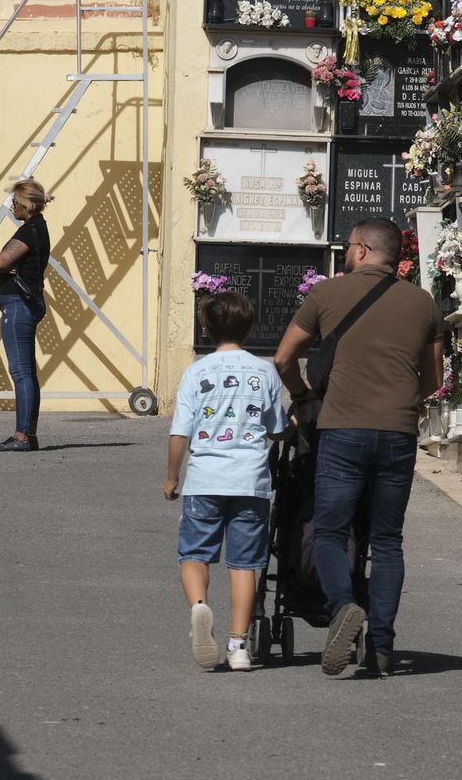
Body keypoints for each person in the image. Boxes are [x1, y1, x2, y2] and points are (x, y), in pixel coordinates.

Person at [272, 217, 443, 677]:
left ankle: (343, 606)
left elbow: (283, 358)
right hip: (398, 433)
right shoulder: (424, 303)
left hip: (342, 429)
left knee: (331, 530)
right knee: (386, 540)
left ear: (362, 250)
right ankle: (382, 646)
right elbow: (433, 381)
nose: (346, 254)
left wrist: (304, 396)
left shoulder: (326, 294)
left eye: (348, 247)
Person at [163, 291, 288, 672]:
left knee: (194, 555)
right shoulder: (264, 371)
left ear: (207, 328)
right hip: (250, 481)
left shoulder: (196, 372)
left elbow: (180, 433)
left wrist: (172, 477)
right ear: (250, 327)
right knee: (244, 564)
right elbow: (276, 429)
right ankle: (239, 648)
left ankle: (199, 607)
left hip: (205, 479)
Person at [0, 180, 52, 452]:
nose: (12, 206)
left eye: (15, 202)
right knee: (27, 373)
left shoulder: (30, 230)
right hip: (24, 303)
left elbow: (0, 262)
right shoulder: (38, 228)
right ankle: (28, 433)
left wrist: (7, 266)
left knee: (21, 372)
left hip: (19, 304)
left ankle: (22, 436)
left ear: (26, 204)